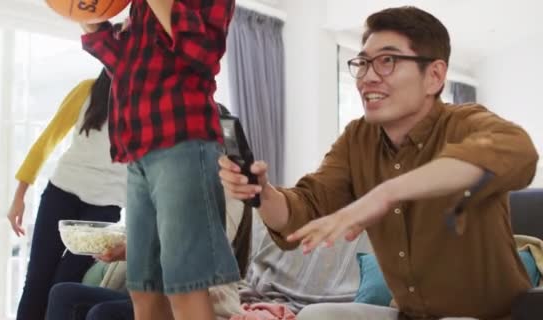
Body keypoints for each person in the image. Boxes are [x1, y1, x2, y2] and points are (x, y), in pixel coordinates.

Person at [219, 6, 539, 320]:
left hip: (487, 315)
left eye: (387, 61)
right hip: (408, 313)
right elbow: (304, 208)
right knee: (319, 314)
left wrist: (386, 193)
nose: (367, 77)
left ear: (435, 76)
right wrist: (263, 193)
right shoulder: (358, 137)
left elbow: (518, 150)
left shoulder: (464, 121)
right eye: (362, 63)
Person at [79, 1, 237, 319]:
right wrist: (90, 19)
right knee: (143, 288)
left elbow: (202, 52)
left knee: (185, 287)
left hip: (183, 141)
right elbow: (125, 65)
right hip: (138, 148)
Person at [7, 69, 126, 320]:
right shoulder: (87, 90)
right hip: (62, 192)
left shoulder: (148, 103)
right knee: (37, 280)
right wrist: (19, 196)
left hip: (105, 206)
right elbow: (48, 139)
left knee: (65, 284)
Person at [45, 192, 252, 320]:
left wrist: (132, 250)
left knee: (103, 314)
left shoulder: (226, 192)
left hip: (201, 304)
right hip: (158, 296)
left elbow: (204, 252)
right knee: (62, 294)